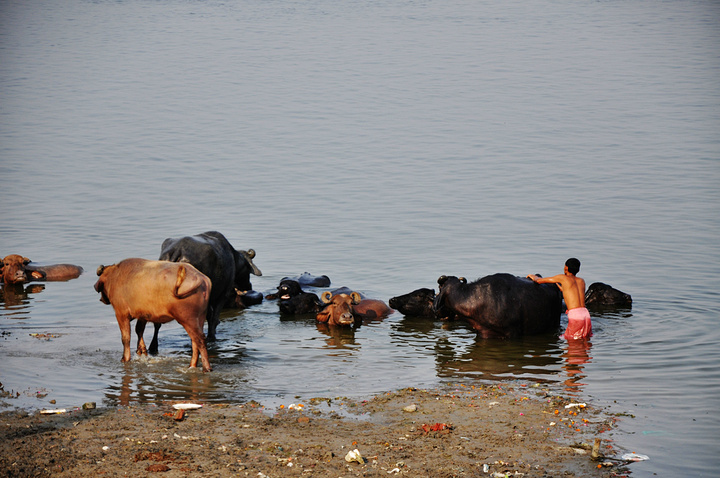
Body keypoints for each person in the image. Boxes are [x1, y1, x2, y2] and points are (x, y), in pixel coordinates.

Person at [527, 258, 592, 340]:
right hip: (585, 314)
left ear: (566, 268)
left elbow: (539, 281)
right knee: (584, 339)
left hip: (575, 315)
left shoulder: (563, 278)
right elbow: (569, 291)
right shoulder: (581, 281)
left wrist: (533, 276)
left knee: (572, 342)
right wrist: (558, 285)